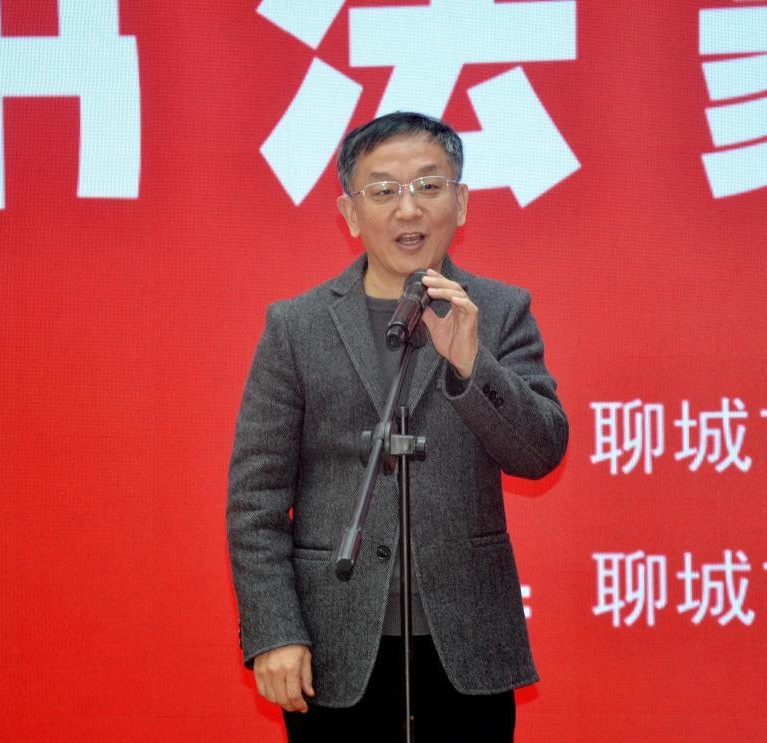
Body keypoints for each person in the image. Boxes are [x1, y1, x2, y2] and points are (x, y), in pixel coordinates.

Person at [226, 111, 568, 741]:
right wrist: (274, 631)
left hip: (467, 641)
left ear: (460, 203)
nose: (408, 209)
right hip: (333, 642)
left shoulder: (499, 311)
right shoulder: (296, 327)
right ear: (351, 213)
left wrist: (472, 362)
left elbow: (540, 450)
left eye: (429, 186)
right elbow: (256, 499)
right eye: (383, 190)